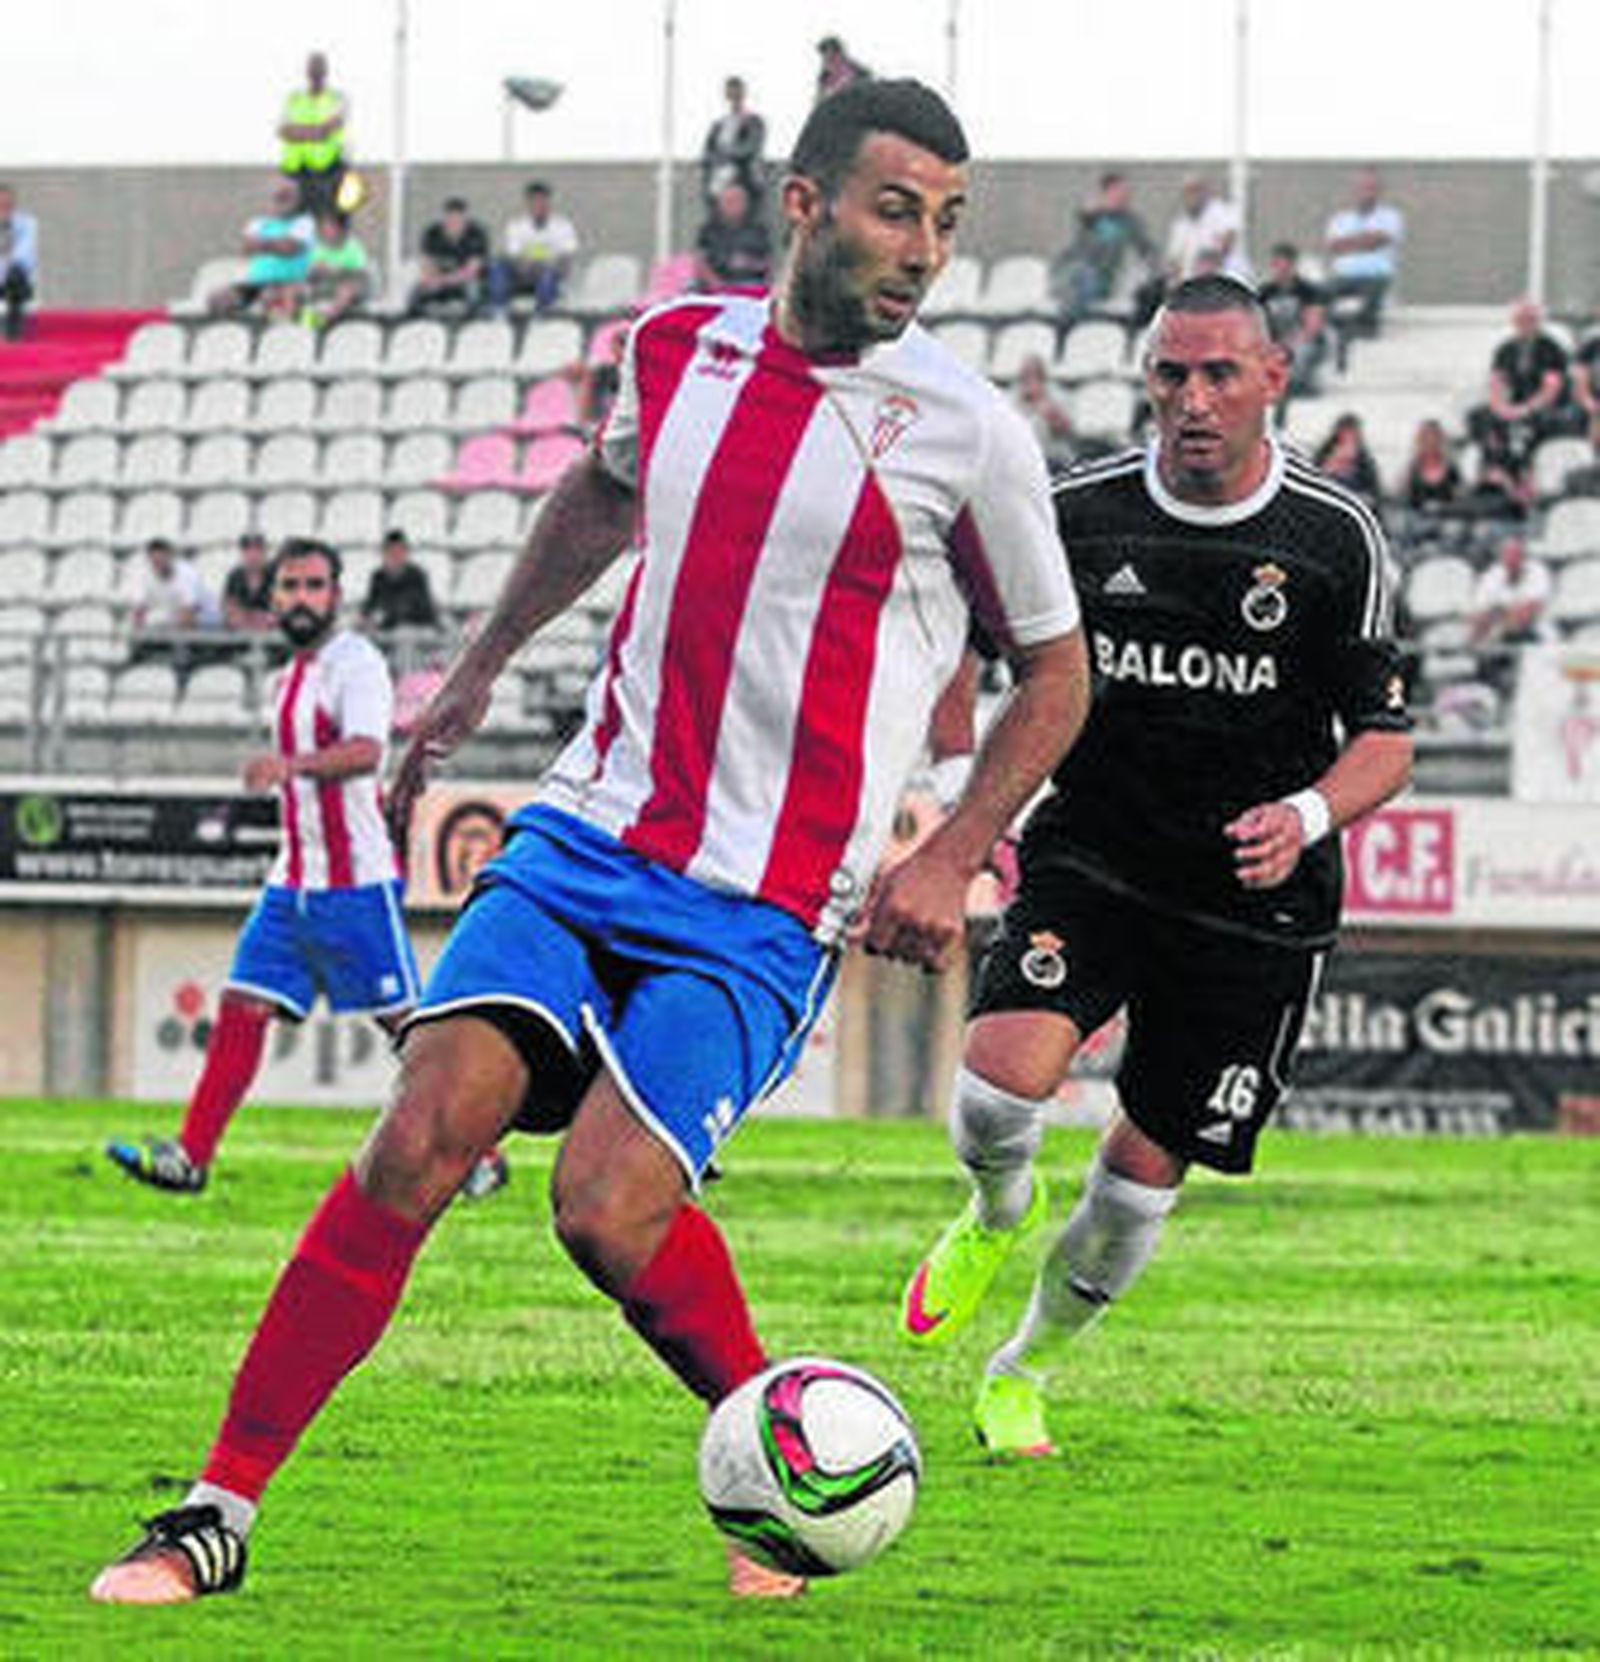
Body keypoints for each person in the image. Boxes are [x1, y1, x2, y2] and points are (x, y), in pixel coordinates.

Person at [90, 76, 1089, 1610]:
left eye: (949, 223)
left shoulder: (971, 433)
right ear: (805, 205)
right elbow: (601, 490)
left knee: (605, 1209)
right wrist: (479, 669)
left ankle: (791, 1464)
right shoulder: (676, 347)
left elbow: (1057, 668)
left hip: (766, 901)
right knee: (423, 1131)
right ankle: (214, 1510)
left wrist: (954, 845)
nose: (925, 252)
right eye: (898, 210)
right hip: (585, 829)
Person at [897, 275, 1412, 1460]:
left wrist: (1306, 813)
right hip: (1098, 852)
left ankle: (1020, 1370)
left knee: (1138, 1178)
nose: (1193, 398)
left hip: (1253, 904)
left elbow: (1386, 740)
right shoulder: (1077, 513)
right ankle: (993, 1207)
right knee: (997, 1084)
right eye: (1171, 374)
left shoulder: (1333, 540)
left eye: (1219, 373)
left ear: (1272, 379)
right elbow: (959, 646)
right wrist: (943, 785)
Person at [105, 537, 506, 1201]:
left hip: (353, 885)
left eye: (313, 586)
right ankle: (191, 1158)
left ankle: (481, 1154)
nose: (300, 598)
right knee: (241, 1005)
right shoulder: (284, 677)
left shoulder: (356, 663)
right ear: (274, 597)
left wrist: (289, 768)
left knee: (408, 1027)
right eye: (289, 587)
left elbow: (364, 750)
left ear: (336, 595)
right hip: (293, 880)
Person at [1469, 299, 1576, 495]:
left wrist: (1525, 409)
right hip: (1513, 404)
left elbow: (1550, 389)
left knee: (1528, 425)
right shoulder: (1505, 349)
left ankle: (1523, 477)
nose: (1525, 324)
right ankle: (1494, 471)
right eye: (1521, 319)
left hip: (1543, 406)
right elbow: (1496, 383)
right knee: (1479, 417)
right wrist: (1500, 407)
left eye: (1530, 319)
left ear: (1538, 322)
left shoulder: (1552, 349)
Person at [1047, 171, 1157, 333]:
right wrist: (1087, 219)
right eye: (1120, 191)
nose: (1125, 196)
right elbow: (1070, 248)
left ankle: (1066, 329)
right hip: (1073, 276)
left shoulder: (1130, 221)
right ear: (1105, 192)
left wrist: (1156, 266)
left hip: (1100, 281)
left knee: (1083, 277)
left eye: (1127, 193)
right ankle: (1066, 326)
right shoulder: (1087, 216)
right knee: (1076, 275)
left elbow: (1147, 249)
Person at [1323, 167, 1403, 358]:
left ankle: (1364, 328)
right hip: (1343, 276)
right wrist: (1366, 240)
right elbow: (1333, 246)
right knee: (1318, 298)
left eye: (1372, 187)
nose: (1367, 192)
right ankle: (1343, 327)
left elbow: (1381, 240)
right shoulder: (1340, 218)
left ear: (1379, 191)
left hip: (1376, 276)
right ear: (1355, 190)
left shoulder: (1391, 216)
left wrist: (1349, 242)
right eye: (1363, 187)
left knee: (1371, 299)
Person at [209, 180, 314, 319]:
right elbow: (246, 250)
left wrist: (262, 244)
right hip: (258, 284)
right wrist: (273, 245)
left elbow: (289, 248)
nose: (281, 200)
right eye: (278, 196)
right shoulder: (258, 223)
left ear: (299, 200)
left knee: (275, 298)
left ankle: (282, 331)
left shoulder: (305, 223)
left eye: (288, 196)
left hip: (291, 283)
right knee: (218, 300)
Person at [1256, 241, 1328, 417]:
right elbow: (1257, 324)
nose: (1280, 269)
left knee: (1300, 351)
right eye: (1276, 264)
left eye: (1284, 264)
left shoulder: (1309, 290)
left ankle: (1289, 389)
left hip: (1302, 342)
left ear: (1293, 265)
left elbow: (1313, 326)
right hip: (1275, 344)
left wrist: (1288, 344)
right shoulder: (1264, 292)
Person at [278, 51, 350, 220]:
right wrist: (314, 131)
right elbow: (283, 131)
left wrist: (299, 132)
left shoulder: (337, 97)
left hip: (327, 172)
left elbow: (327, 129)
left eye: (319, 68)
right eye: (312, 68)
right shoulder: (294, 98)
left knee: (328, 220)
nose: (315, 72)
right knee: (295, 222)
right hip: (296, 172)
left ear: (325, 72)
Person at [490, 181, 579, 313]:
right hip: (522, 273)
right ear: (527, 204)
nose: (538, 205)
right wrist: (537, 260)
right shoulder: (516, 225)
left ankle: (542, 316)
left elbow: (566, 256)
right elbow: (513, 255)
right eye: (534, 201)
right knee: (497, 266)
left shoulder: (563, 225)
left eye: (542, 201)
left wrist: (540, 262)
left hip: (549, 273)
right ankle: (499, 311)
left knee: (548, 274)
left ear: (548, 202)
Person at [408, 196, 490, 316]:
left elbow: (471, 271)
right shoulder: (432, 233)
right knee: (417, 292)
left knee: (473, 290)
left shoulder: (476, 234)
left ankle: (471, 321)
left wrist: (445, 281)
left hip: (464, 280)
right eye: (450, 218)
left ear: (465, 219)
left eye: (458, 219)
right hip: (439, 277)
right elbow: (426, 263)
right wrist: (430, 279)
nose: (454, 223)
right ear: (444, 218)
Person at [1161, 175, 1249, 287]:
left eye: (1196, 191)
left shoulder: (1221, 212)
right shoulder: (1181, 224)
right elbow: (1174, 261)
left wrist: (1209, 265)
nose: (1192, 197)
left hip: (1227, 280)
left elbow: (1228, 240)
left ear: (1205, 192)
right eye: (1188, 192)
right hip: (1195, 286)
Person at [297, 212, 371, 330]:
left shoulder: (352, 248)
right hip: (322, 286)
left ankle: (329, 316)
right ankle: (302, 318)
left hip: (346, 288)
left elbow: (358, 273)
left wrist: (333, 268)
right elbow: (311, 270)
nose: (325, 230)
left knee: (348, 286)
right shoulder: (320, 248)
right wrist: (317, 269)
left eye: (330, 227)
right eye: (324, 227)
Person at [699, 76, 766, 207]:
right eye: (731, 92)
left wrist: (726, 154)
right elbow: (707, 151)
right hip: (719, 176)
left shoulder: (753, 121)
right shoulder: (719, 125)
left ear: (743, 94)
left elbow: (750, 148)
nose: (734, 96)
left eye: (737, 92)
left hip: (744, 176)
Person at [693, 181, 773, 290]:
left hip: (753, 287)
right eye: (729, 201)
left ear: (746, 203)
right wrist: (718, 286)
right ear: (720, 204)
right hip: (719, 287)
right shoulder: (709, 231)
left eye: (738, 200)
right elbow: (700, 263)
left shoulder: (758, 231)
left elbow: (767, 264)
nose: (734, 205)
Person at [360, 529, 441, 634]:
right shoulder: (378, 577)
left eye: (399, 552)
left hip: (413, 629)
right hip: (386, 630)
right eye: (391, 552)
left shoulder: (417, 576)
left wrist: (388, 616)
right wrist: (365, 617)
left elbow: (424, 610)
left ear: (406, 553)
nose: (395, 556)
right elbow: (370, 604)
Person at [1010, 353, 1075, 470]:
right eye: (1025, 376)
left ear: (1042, 376)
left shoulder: (1059, 395)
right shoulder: (1012, 397)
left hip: (1054, 458)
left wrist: (1046, 409)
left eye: (1034, 375)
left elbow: (1067, 430)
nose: (1029, 380)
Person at [1313, 411, 1381, 506]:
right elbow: (1315, 476)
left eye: (1351, 432)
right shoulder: (1325, 453)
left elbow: (1373, 493)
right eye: (1344, 431)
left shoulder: (1364, 459)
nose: (1347, 436)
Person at [0, 183, 38, 343]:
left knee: (16, 274)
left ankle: (12, 336)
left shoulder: (27, 224)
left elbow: (23, 255)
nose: (4, 208)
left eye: (7, 204)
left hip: (16, 282)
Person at [221, 532, 277, 634]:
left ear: (264, 552)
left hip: (270, 637)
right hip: (241, 636)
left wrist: (256, 618)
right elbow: (230, 611)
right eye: (248, 550)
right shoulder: (235, 577)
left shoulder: (275, 576)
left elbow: (279, 614)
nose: (253, 555)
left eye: (257, 549)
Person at [814, 36, 871, 101]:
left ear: (839, 53)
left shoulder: (854, 68)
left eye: (834, 55)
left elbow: (868, 79)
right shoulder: (825, 77)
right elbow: (819, 99)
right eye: (825, 55)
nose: (828, 58)